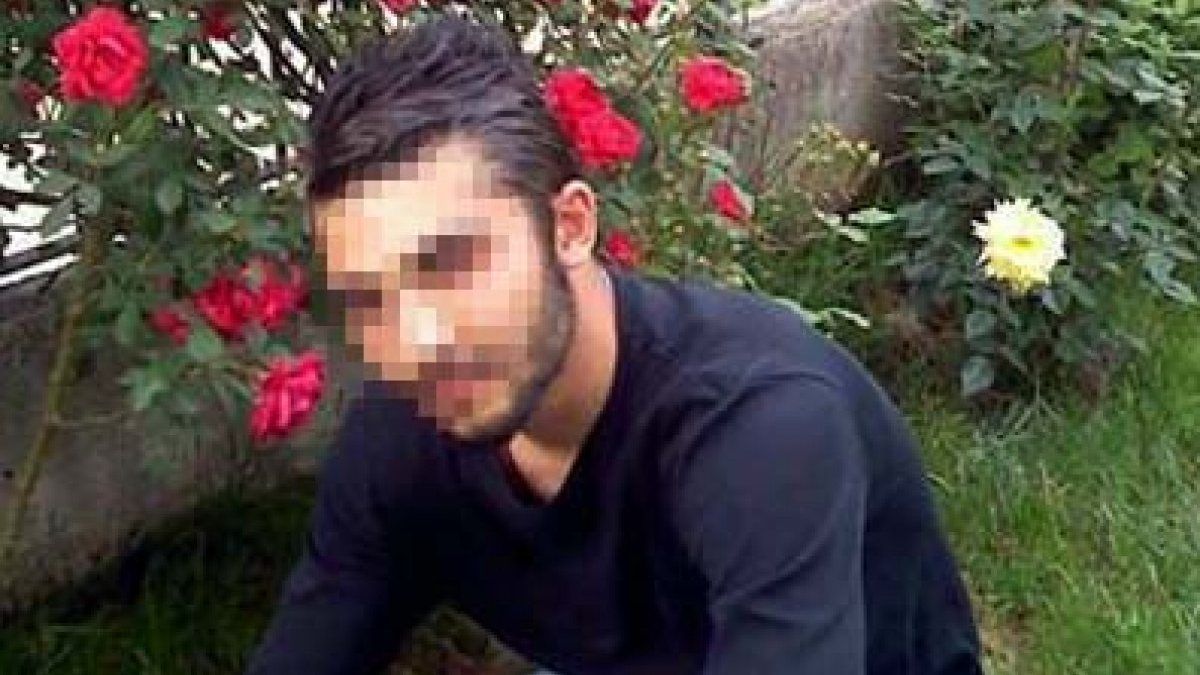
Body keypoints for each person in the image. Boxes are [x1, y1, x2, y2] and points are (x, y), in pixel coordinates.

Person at [247, 16, 983, 675]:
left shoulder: (758, 424)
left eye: (452, 265)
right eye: (369, 299)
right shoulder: (405, 435)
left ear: (569, 227)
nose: (418, 342)